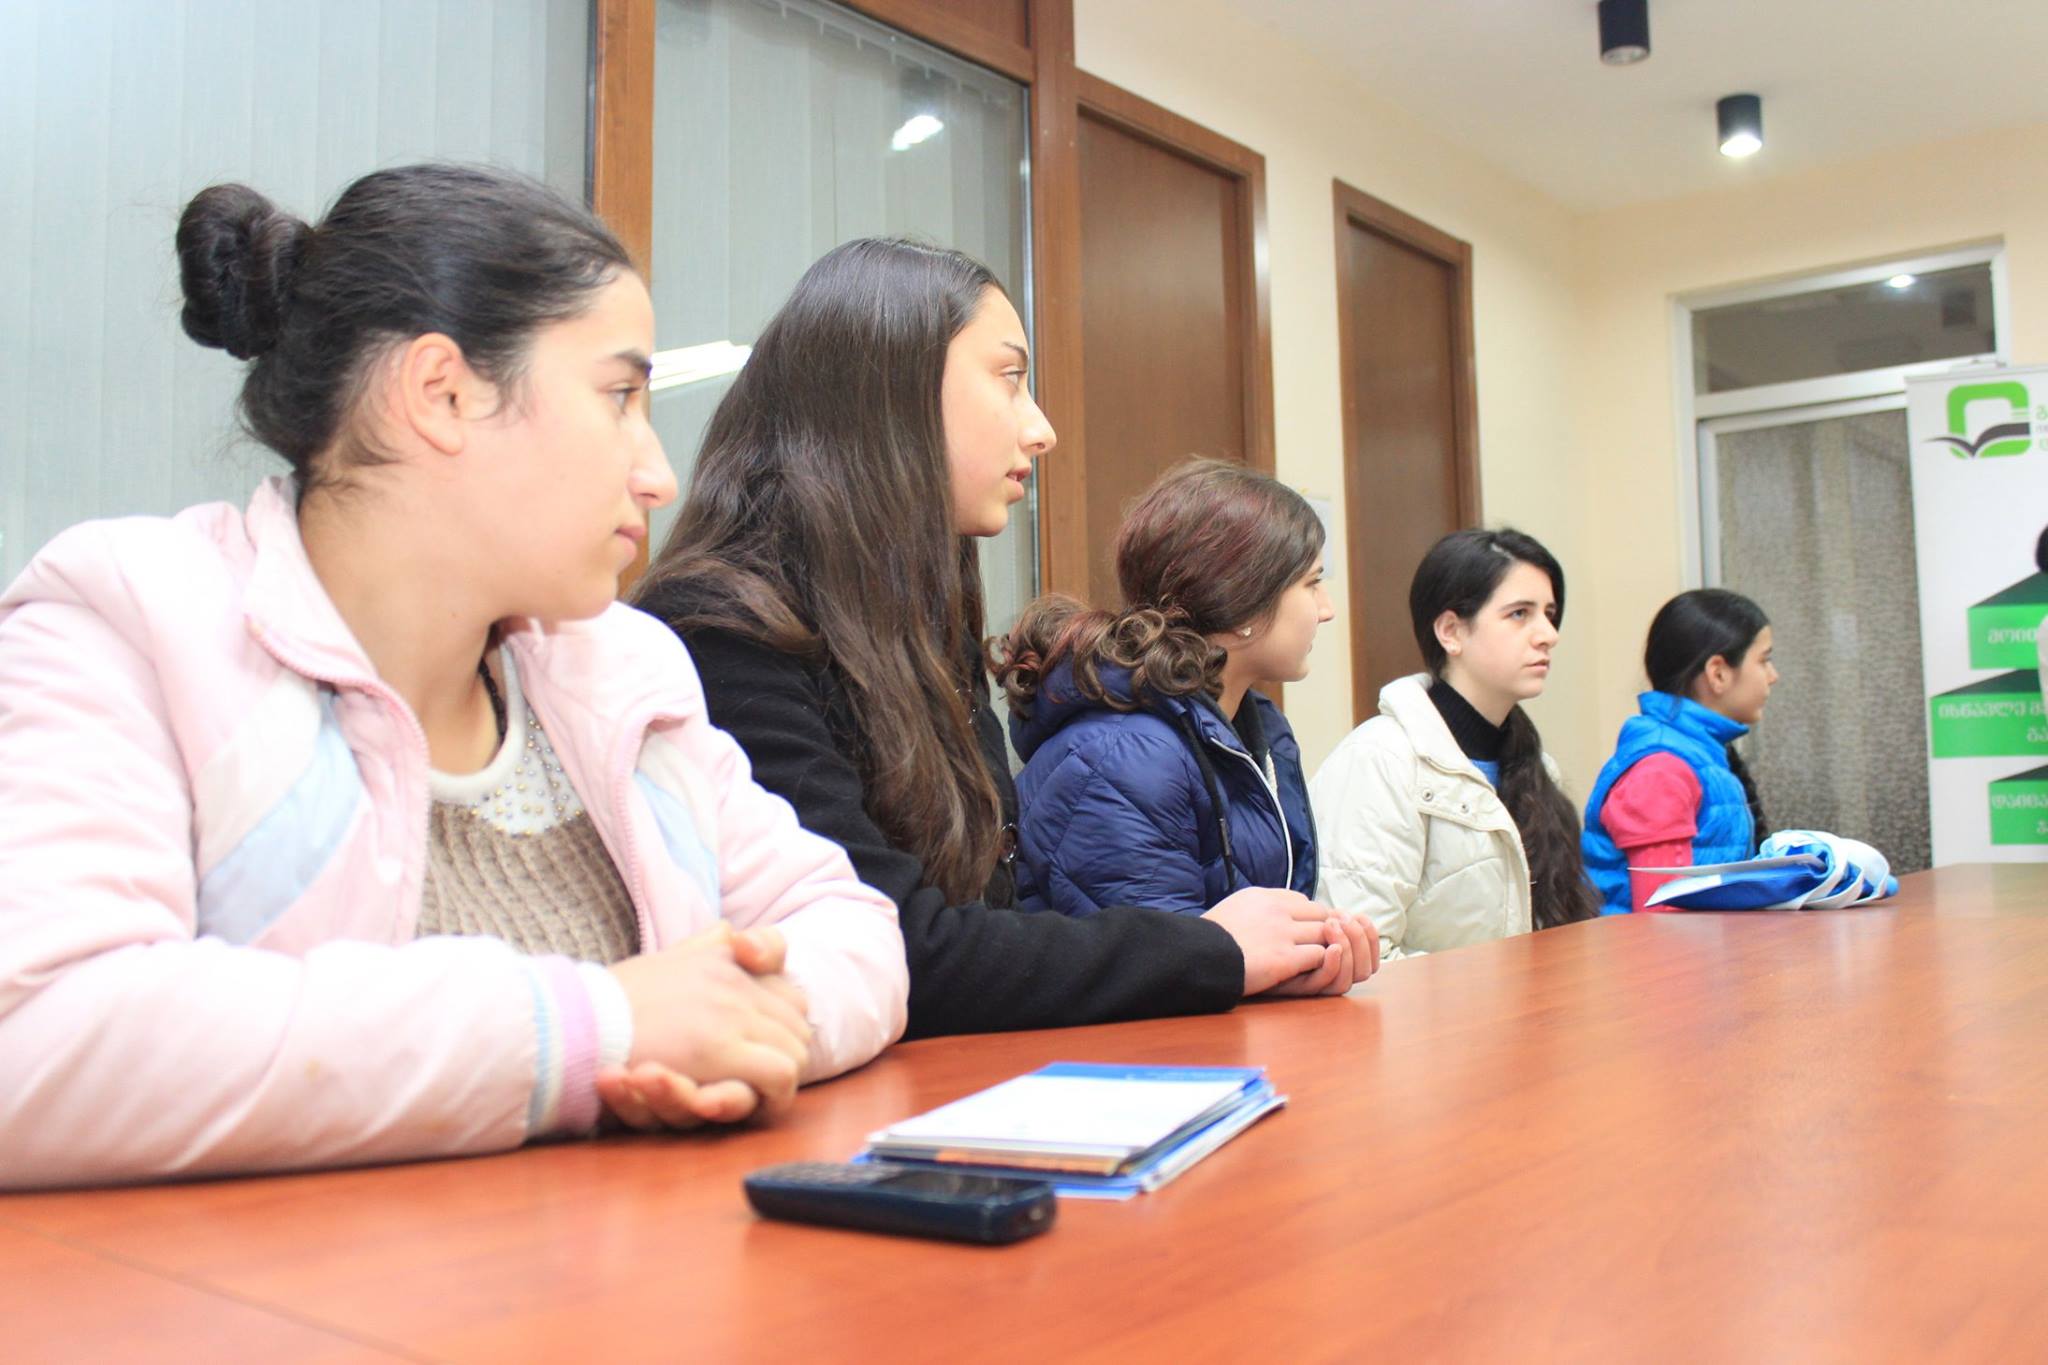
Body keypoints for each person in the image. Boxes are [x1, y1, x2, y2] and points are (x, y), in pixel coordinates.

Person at [0, 165, 907, 1189]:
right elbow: (36, 1038)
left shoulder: (621, 663)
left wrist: (735, 1030)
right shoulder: (129, 617)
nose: (657, 474)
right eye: (618, 396)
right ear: (440, 393)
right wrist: (592, 1030)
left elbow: (849, 928)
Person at [633, 238, 1374, 1039]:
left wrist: (1255, 955)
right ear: (893, 389)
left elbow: (987, 915)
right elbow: (892, 948)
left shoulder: (913, 621)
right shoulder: (724, 627)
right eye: (1010, 378)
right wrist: (1211, 950)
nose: (1041, 428)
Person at [995, 458, 1329, 916]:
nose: (1326, 609)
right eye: (1312, 584)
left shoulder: (1256, 729)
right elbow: (1161, 955)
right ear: (1243, 601)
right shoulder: (1123, 757)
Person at [1310, 528, 1598, 957]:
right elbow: (1362, 961)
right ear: (1451, 632)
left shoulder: (1538, 769)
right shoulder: (1379, 761)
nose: (1548, 634)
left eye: (1549, 613)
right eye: (1520, 614)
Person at [1582, 588, 1776, 913]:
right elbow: (1663, 916)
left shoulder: (1698, 754)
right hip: (1651, 947)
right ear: (1718, 673)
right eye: (1764, 661)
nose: (1773, 676)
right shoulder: (1662, 769)